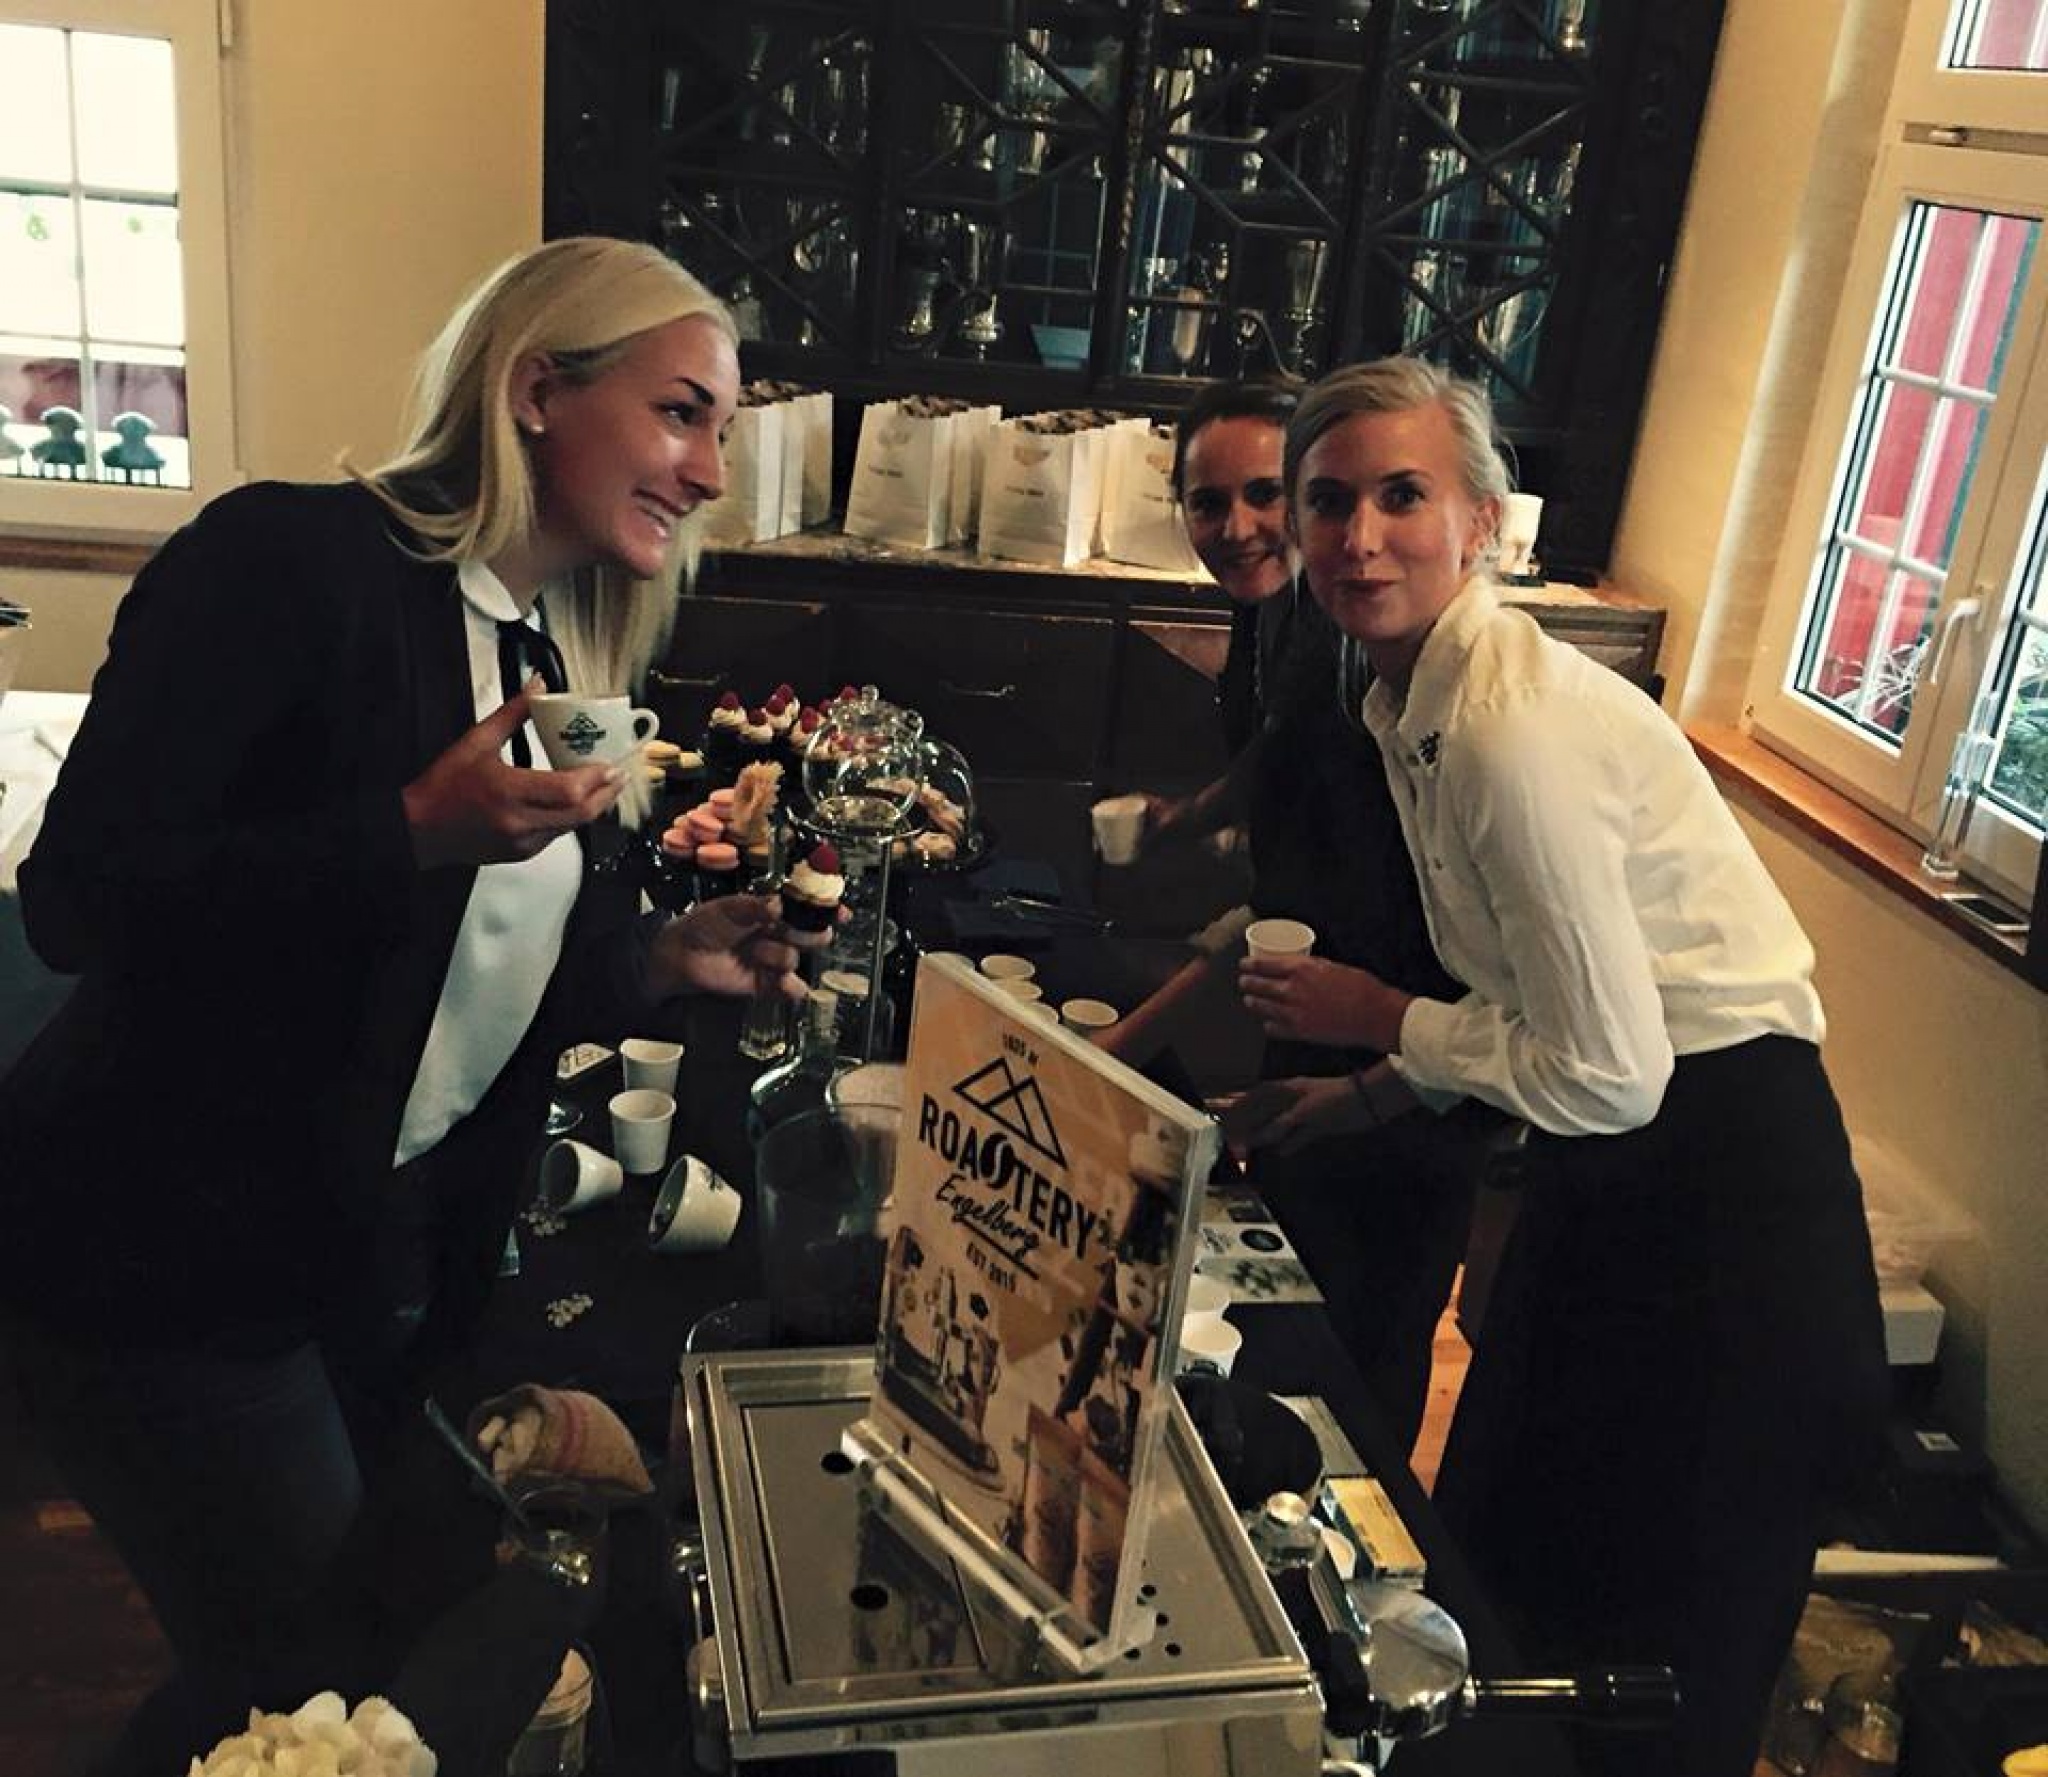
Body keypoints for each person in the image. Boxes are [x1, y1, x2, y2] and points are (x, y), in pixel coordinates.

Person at [0, 237, 801, 1774]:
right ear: (535, 390)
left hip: (355, 1262)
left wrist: (657, 959)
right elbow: (79, 896)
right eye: (680, 414)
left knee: (321, 1657)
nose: (710, 474)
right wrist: (404, 831)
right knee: (310, 1685)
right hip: (159, 1265)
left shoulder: (544, 648)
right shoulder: (288, 564)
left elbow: (463, 973)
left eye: (722, 432)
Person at [1235, 356, 1888, 1777]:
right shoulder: (1410, 704)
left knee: (1650, 1655)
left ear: (1480, 520)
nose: (1360, 539)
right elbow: (1526, 1006)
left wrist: (1380, 1019)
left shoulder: (1502, 727)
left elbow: (1607, 1070)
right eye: (1329, 501)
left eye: (1402, 496)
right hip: (1620, 1184)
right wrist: (1366, 1094)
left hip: (1725, 1208)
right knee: (1507, 1578)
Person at [1102, 378, 1493, 1454]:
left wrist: (1123, 1045)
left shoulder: (1361, 655)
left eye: (1268, 494)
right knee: (1290, 1300)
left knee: (1358, 1343)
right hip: (1322, 1016)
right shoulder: (1280, 619)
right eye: (1206, 501)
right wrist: (1196, 816)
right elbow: (1272, 764)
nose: (1237, 527)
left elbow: (1285, 907)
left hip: (1413, 1046)